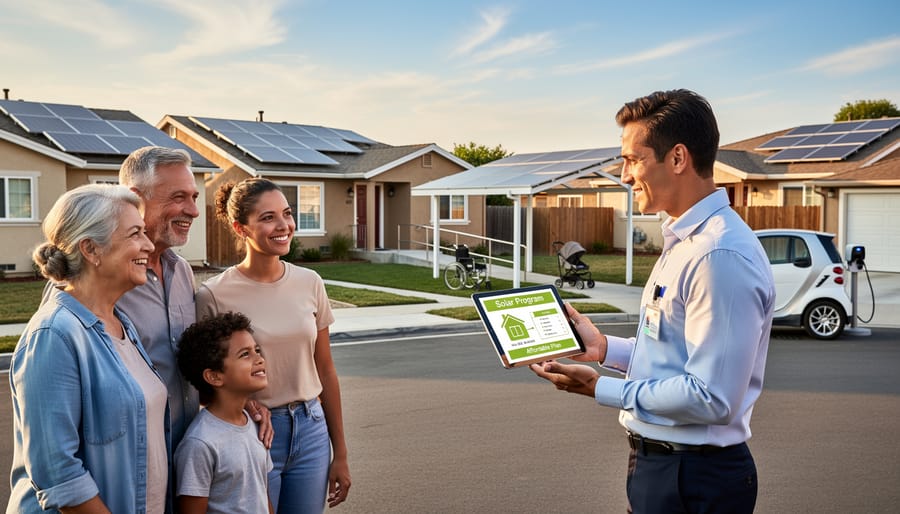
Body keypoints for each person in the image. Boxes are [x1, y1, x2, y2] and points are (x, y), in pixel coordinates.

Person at [530, 89, 776, 513]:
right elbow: (672, 354)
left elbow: (711, 397)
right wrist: (604, 349)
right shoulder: (684, 241)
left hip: (695, 479)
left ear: (677, 158)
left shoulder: (718, 255)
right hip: (661, 468)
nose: (625, 176)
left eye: (633, 159)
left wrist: (600, 388)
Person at [8, 185, 168, 512]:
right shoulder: (54, 334)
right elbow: (59, 475)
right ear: (91, 249)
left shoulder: (120, 324)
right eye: (135, 234)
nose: (149, 246)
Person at [196, 177, 351, 513]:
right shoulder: (214, 295)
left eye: (287, 213)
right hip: (252, 432)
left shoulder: (310, 282)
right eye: (268, 218)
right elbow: (202, 380)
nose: (284, 226)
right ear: (241, 228)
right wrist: (247, 405)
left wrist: (340, 452)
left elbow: (325, 369)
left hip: (311, 430)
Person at [175, 312, 275, 514]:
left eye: (256, 350)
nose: (259, 358)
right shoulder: (200, 443)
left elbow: (262, 496)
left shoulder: (254, 424)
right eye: (245, 354)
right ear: (214, 376)